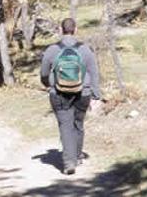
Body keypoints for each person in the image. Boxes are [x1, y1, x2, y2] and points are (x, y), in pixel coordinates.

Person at [40, 18, 101, 175]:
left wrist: (47, 84)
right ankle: (78, 155)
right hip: (83, 93)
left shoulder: (52, 50)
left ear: (61, 30)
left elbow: (44, 73)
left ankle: (69, 163)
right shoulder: (86, 50)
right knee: (78, 124)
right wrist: (96, 94)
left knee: (65, 126)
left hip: (58, 93)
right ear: (76, 29)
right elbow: (94, 72)